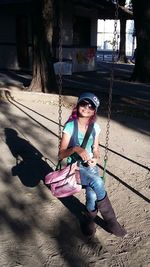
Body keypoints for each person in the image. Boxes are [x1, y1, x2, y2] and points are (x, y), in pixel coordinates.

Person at [59, 92, 126, 237]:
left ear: (94, 110)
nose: (87, 108)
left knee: (92, 196)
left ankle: (89, 221)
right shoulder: (70, 127)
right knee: (97, 181)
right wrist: (76, 148)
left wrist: (95, 158)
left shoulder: (95, 127)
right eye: (84, 104)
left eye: (91, 106)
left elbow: (96, 150)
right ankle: (112, 221)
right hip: (75, 168)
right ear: (78, 105)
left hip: (90, 166)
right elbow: (61, 154)